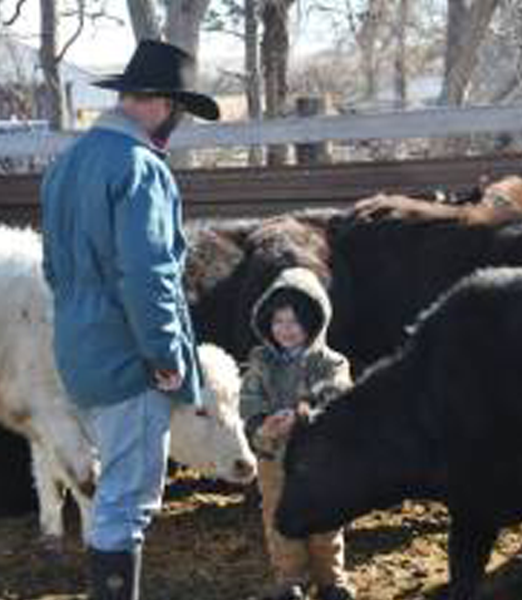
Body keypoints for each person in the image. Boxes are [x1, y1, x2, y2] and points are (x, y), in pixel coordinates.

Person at [41, 39, 219, 600]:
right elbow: (148, 276)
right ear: (166, 104)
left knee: (112, 490)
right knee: (127, 501)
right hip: (128, 357)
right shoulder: (142, 168)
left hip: (75, 348)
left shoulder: (68, 164)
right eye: (181, 111)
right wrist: (165, 355)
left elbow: (53, 266)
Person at [241, 267, 355, 600]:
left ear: (313, 322)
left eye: (294, 322)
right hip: (273, 453)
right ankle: (290, 579)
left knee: (324, 520)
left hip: (319, 460)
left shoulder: (330, 362)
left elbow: (337, 392)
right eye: (278, 322)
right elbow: (248, 398)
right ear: (267, 323)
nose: (285, 330)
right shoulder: (261, 360)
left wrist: (304, 412)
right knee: (279, 518)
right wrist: (261, 423)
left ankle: (330, 580)